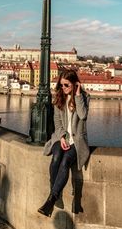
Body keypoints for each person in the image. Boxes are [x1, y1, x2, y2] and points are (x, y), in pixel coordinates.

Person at [38, 69, 90, 217]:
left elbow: (83, 115)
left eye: (66, 85)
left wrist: (78, 95)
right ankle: (55, 194)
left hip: (77, 141)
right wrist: (61, 137)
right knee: (56, 157)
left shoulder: (85, 97)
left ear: (75, 84)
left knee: (66, 160)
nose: (63, 88)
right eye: (61, 85)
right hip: (61, 137)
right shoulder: (60, 97)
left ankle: (51, 199)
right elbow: (57, 121)